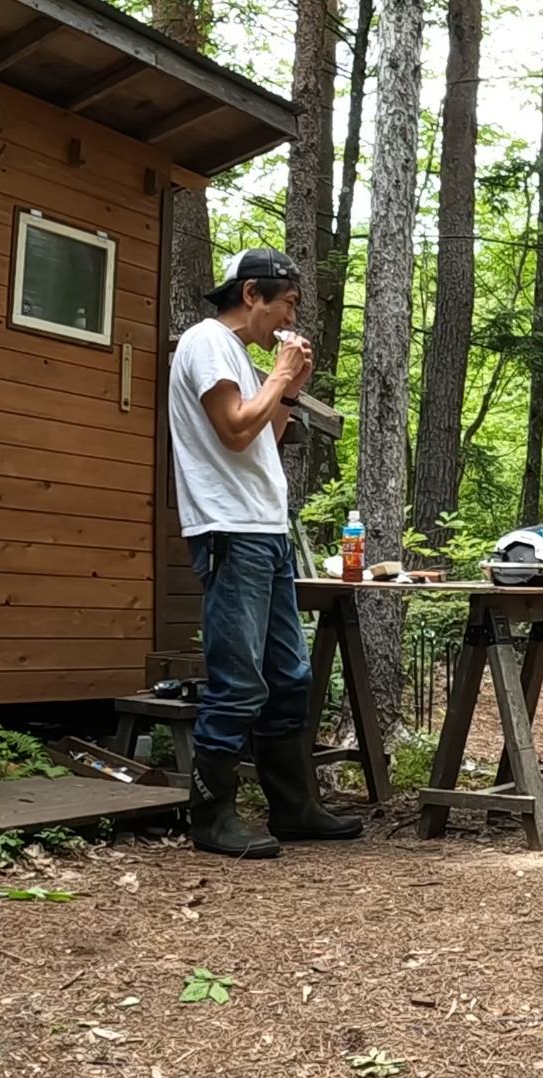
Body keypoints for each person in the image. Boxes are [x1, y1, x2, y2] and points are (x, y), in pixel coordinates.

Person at [169, 248, 362, 858]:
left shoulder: (241, 359)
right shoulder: (205, 342)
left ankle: (293, 806)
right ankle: (211, 816)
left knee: (289, 676)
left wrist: (288, 390)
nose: (291, 318)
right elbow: (231, 430)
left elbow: (262, 437)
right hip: (229, 531)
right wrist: (278, 375)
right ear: (252, 294)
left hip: (266, 531)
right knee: (238, 680)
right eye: (288, 303)